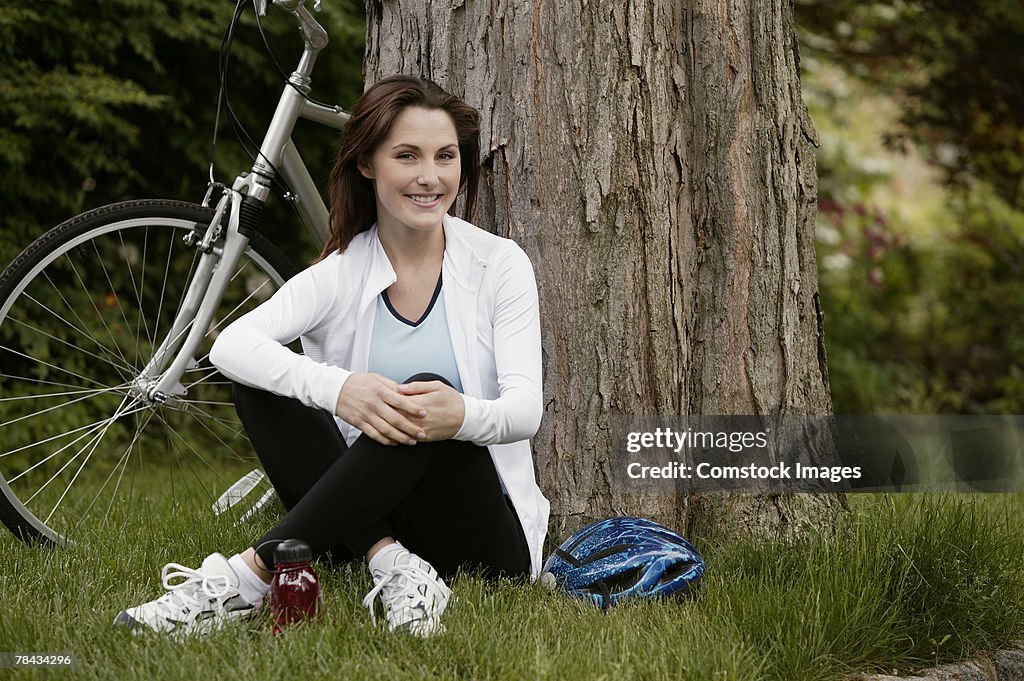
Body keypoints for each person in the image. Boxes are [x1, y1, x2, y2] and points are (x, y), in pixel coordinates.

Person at [113, 75, 549, 638]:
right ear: (368, 164)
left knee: (419, 392)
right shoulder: (343, 271)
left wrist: (460, 415)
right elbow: (230, 345)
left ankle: (246, 578)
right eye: (407, 156)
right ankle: (390, 561)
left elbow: (524, 411)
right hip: (365, 516)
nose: (430, 177)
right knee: (260, 380)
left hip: (484, 538)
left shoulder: (499, 265)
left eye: (445, 157)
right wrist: (338, 389)